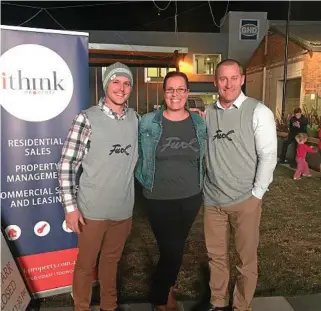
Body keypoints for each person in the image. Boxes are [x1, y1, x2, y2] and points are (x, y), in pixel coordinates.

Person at [58, 62, 138, 311]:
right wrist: (71, 208)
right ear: (106, 85)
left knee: (111, 261)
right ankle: (81, 307)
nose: (121, 88)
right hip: (92, 210)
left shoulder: (135, 119)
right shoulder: (87, 118)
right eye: (116, 81)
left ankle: (108, 306)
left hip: (123, 210)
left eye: (126, 83)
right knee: (85, 264)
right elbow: (66, 165)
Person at [203, 59, 277, 311]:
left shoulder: (258, 111)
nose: (228, 84)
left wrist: (256, 195)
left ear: (242, 79)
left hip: (246, 199)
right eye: (223, 79)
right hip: (213, 200)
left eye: (234, 78)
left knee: (246, 260)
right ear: (215, 82)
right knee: (216, 257)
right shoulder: (209, 113)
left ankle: (241, 306)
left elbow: (268, 156)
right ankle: (218, 302)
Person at [135, 71, 207, 311]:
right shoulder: (147, 122)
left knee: (177, 244)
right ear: (164, 92)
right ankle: (161, 296)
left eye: (180, 89)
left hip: (190, 197)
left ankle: (168, 285)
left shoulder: (199, 122)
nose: (175, 94)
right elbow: (137, 154)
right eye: (170, 89)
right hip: (158, 198)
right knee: (172, 246)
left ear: (187, 93)